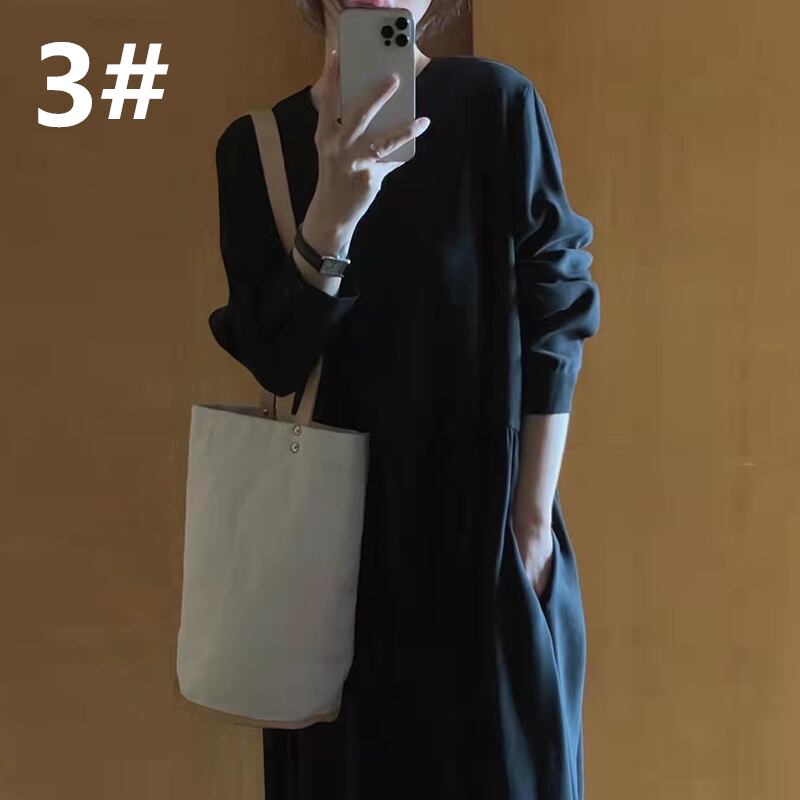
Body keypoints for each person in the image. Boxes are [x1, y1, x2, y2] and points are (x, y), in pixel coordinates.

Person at [207, 0, 601, 797]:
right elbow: (276, 360)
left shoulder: (493, 104)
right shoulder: (258, 147)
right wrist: (333, 213)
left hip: (486, 538)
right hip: (333, 569)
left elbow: (557, 308)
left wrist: (530, 528)